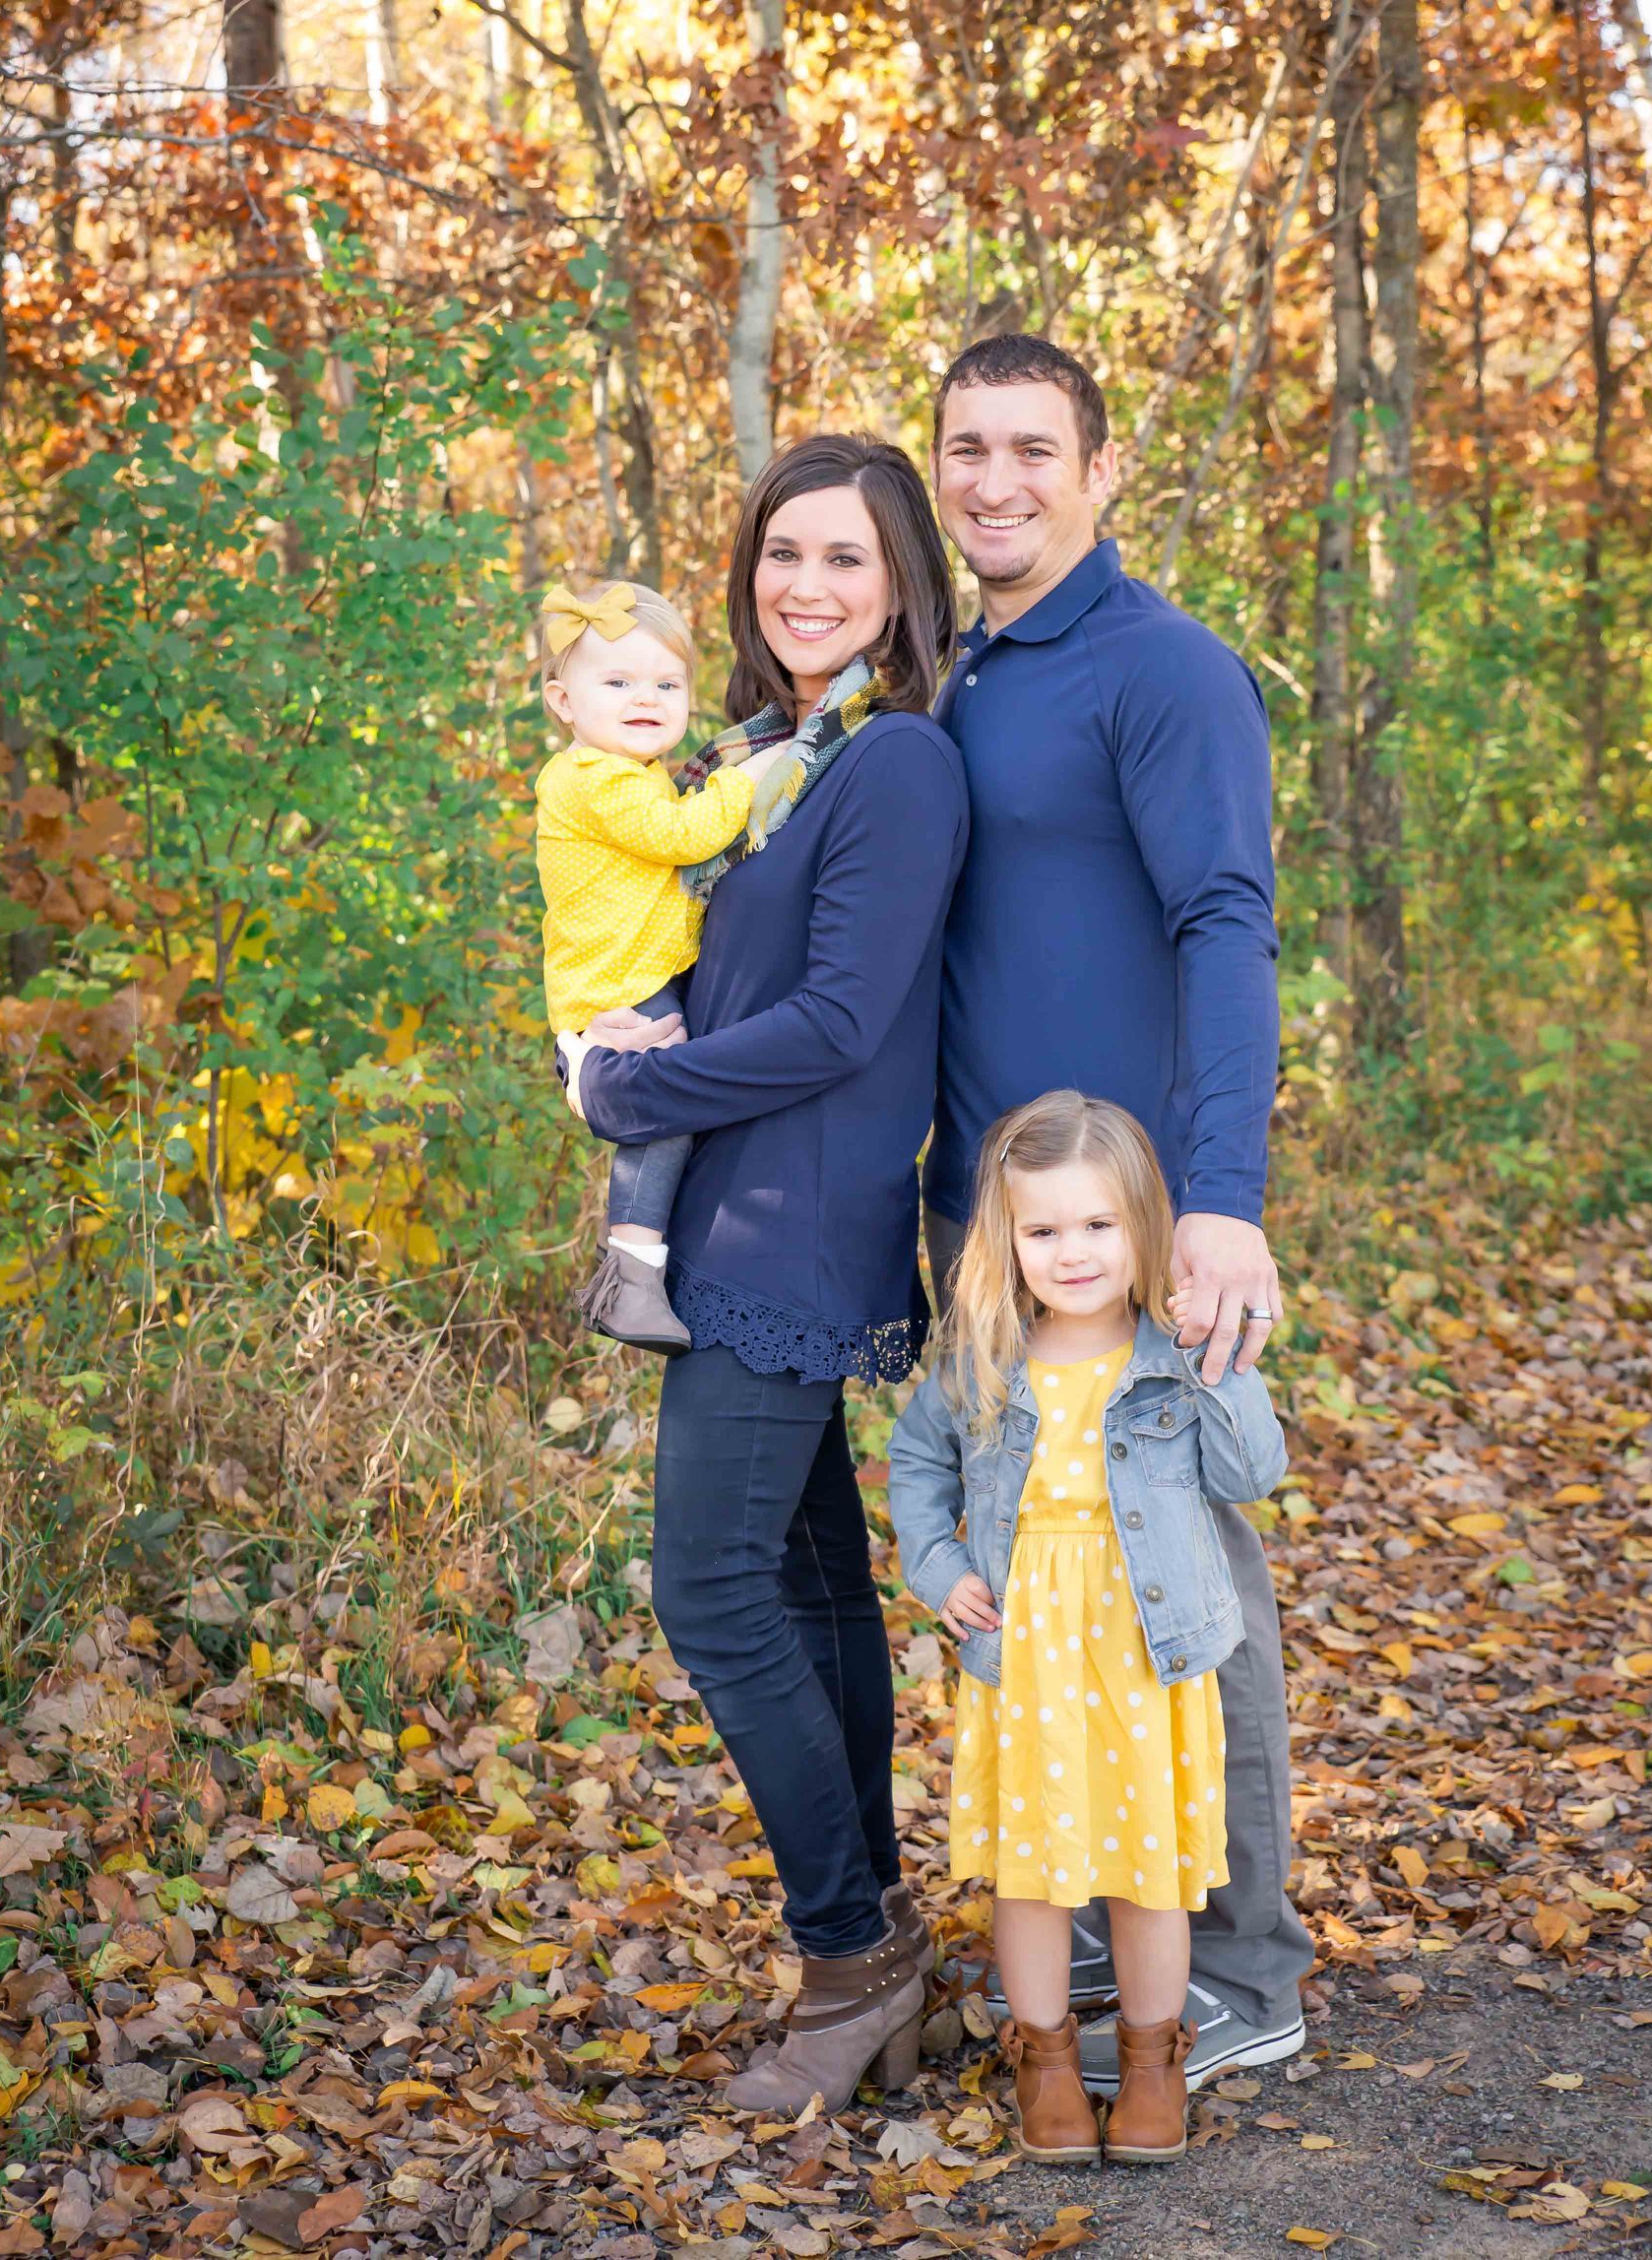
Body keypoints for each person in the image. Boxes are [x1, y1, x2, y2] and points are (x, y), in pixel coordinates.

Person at [555, 434, 970, 2113]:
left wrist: (631, 1088)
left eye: (847, 561)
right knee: (802, 1591)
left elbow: (843, 1024)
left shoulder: (895, 769)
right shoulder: (773, 756)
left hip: (794, 1226)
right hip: (742, 1213)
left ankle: (848, 1948)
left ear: (902, 588)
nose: (806, 585)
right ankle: (879, 1940)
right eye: (782, 554)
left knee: (711, 1587)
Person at [924, 333, 1313, 2088]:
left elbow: (1227, 923)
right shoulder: (956, 674)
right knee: (1037, 1581)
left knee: (1178, 1593)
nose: (995, 480)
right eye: (966, 447)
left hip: (1135, 1234)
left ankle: (1241, 1975)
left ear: (1099, 469)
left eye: (1031, 447)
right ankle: (1100, 1950)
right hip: (994, 1237)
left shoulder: (1166, 670)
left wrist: (1219, 1203)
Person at [890, 1091, 1287, 2162]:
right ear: (1007, 1241)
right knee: (1032, 1868)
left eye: (1099, 1225)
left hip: (1145, 1653)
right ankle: (1048, 2054)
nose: (1072, 1252)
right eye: (1044, 1229)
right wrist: (937, 1566)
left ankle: (1155, 2053)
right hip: (1025, 1649)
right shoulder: (985, 1355)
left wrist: (1219, 1347)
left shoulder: (1173, 1351)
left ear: (1143, 1228)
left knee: (1146, 1870)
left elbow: (1253, 1472)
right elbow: (919, 1464)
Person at [533, 579, 792, 1352]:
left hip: (630, 970)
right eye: (617, 682)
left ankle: (640, 1266)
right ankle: (633, 1276)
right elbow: (684, 837)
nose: (646, 697)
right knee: (664, 1113)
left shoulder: (628, 771)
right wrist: (747, 781)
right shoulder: (595, 778)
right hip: (623, 983)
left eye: (666, 684)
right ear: (563, 702)